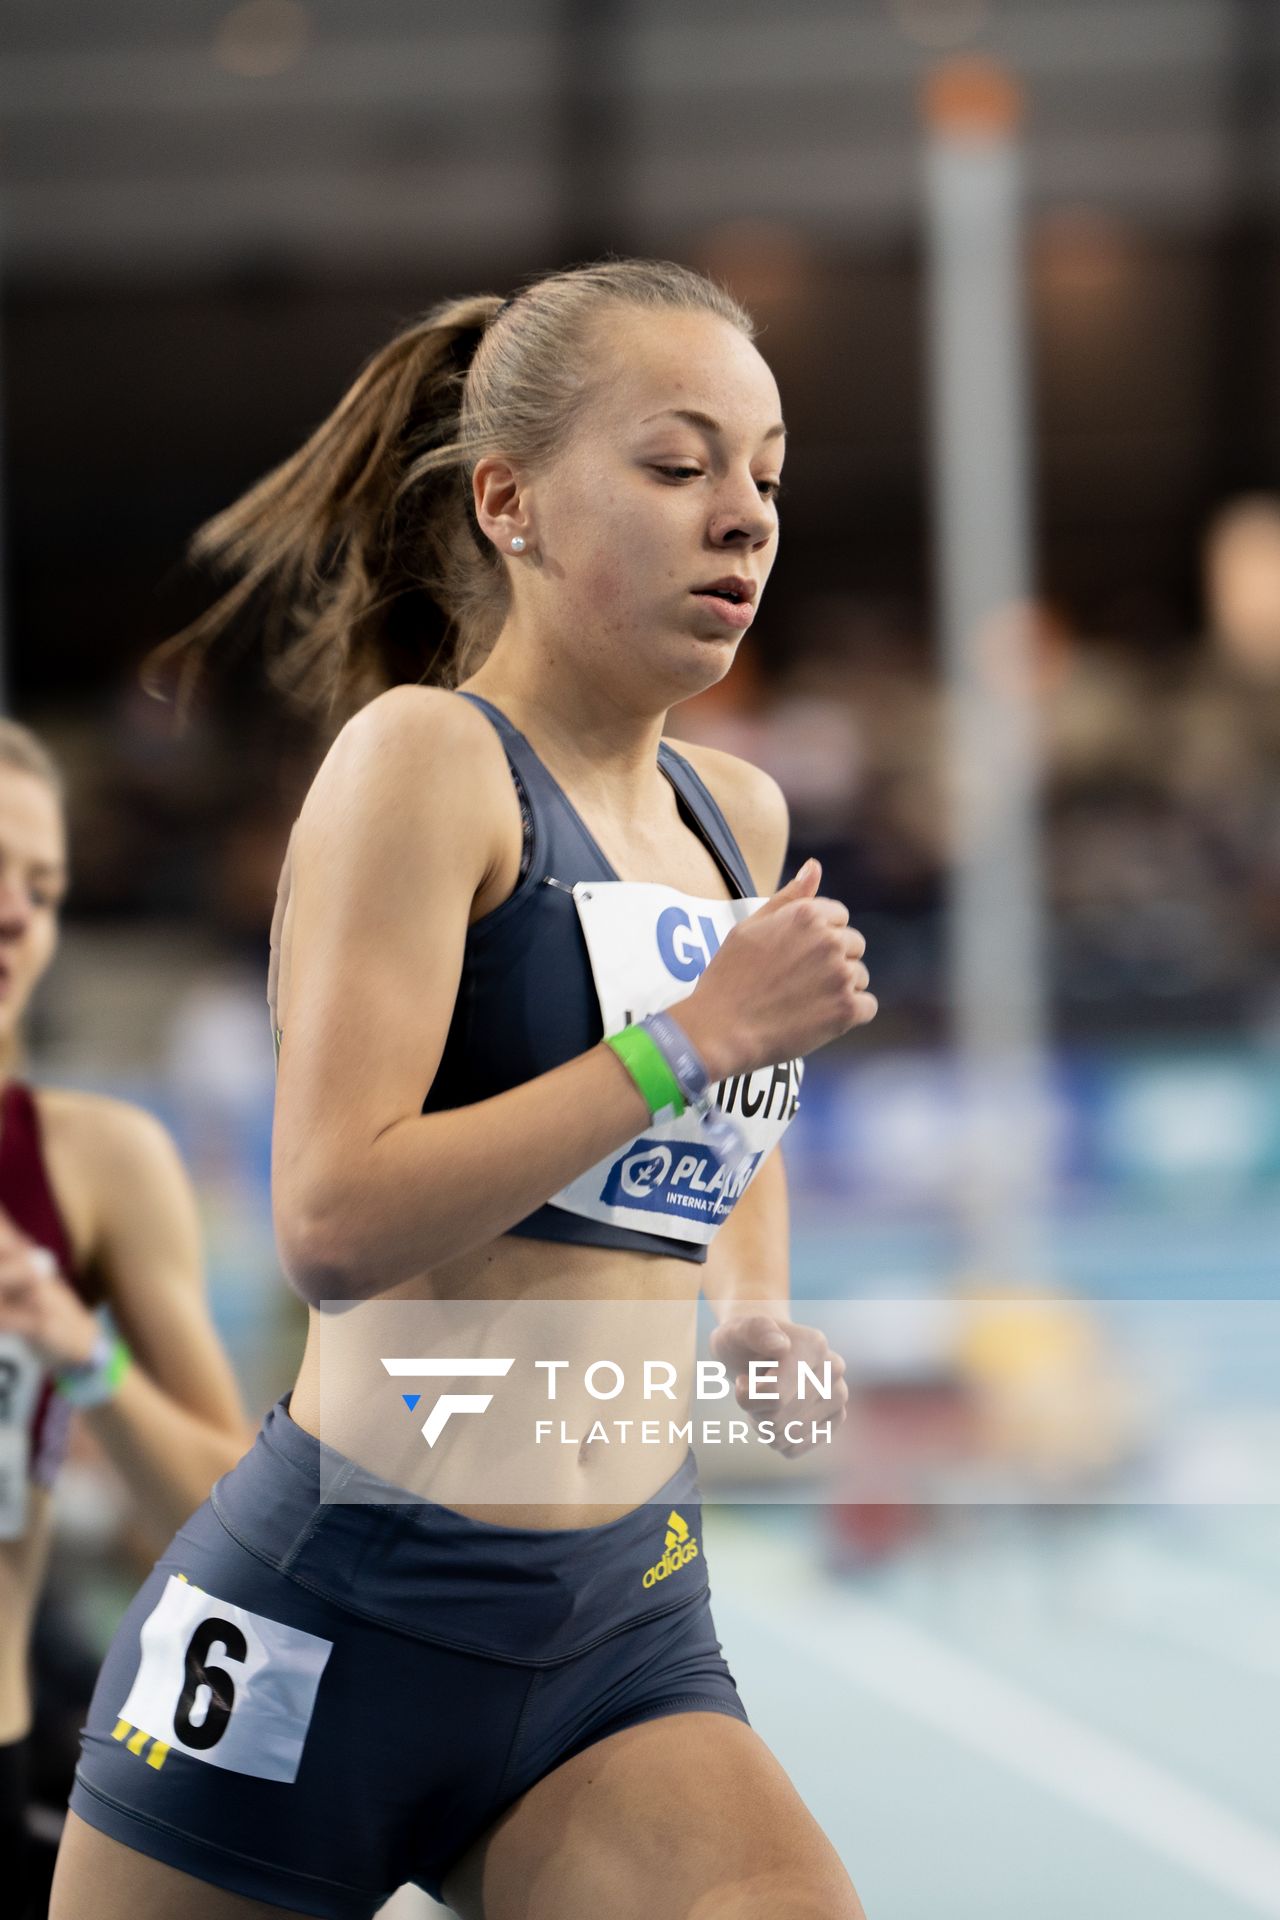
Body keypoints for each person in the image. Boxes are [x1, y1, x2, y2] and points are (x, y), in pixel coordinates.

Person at [52, 257, 878, 1919]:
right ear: (508, 500)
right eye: (678, 465)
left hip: (621, 1622)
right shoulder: (426, 763)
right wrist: (686, 1039)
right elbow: (332, 1219)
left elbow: (732, 1126)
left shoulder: (740, 821)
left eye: (768, 475)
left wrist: (754, 1307)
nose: (744, 518)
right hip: (331, 1617)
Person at [0, 719, 252, 1919]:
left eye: (42, 887)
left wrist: (79, 1348)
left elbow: (233, 1524)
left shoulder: (93, 1163)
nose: (17, 917)